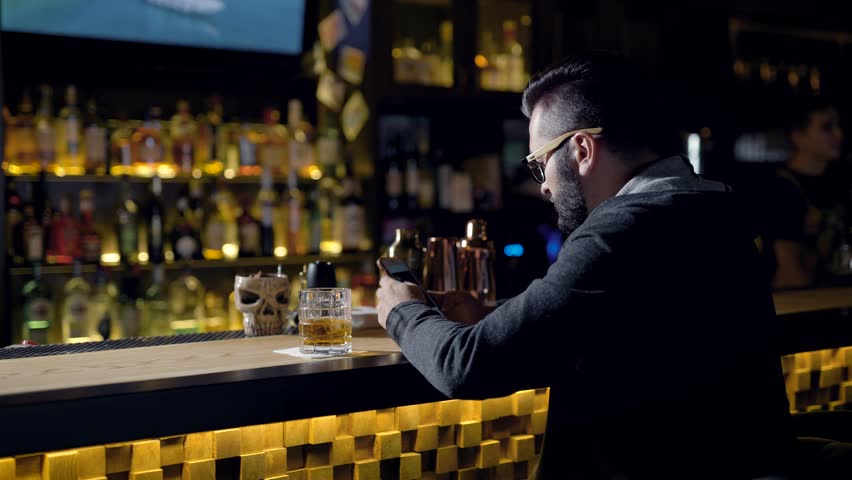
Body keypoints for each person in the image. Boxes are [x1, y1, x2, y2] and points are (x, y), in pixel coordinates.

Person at [376, 52, 794, 479]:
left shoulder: (622, 230)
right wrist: (496, 317)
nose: (543, 186)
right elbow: (628, 329)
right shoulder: (713, 208)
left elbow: (465, 367)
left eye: (540, 162)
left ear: (581, 149)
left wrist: (403, 310)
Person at [761, 98, 848, 289]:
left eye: (838, 126)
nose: (839, 134)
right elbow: (790, 272)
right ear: (798, 136)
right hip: (805, 309)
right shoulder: (781, 191)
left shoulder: (840, 184)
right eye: (827, 127)